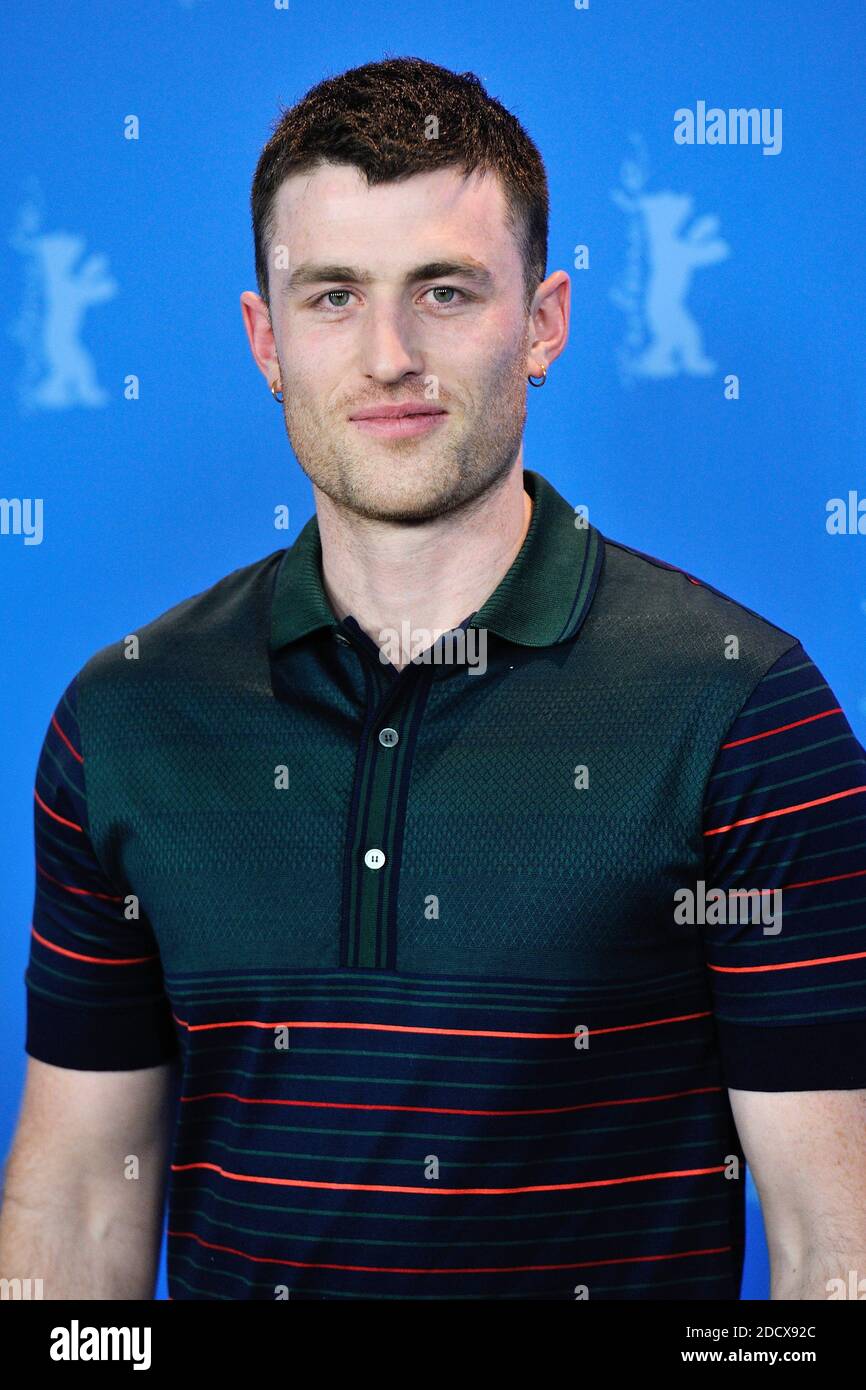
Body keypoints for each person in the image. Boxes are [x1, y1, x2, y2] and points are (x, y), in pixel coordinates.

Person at [2, 57, 865, 1301]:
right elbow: (83, 1194)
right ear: (266, 338)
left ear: (544, 323)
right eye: (334, 295)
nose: (388, 353)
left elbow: (834, 1251)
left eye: (445, 291)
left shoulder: (743, 714)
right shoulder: (126, 716)